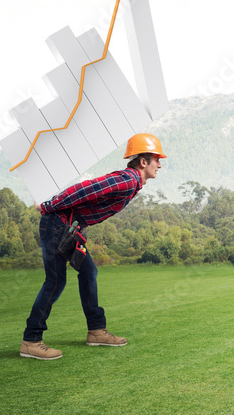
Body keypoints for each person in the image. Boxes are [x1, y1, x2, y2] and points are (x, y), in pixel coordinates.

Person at [20, 133, 167, 360]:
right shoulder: (127, 180)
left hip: (69, 227)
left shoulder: (133, 183)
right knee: (55, 281)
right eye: (156, 159)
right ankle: (31, 340)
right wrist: (49, 205)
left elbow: (89, 204)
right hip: (57, 223)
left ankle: (96, 331)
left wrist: (79, 229)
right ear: (143, 162)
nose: (160, 164)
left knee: (89, 271)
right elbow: (85, 189)